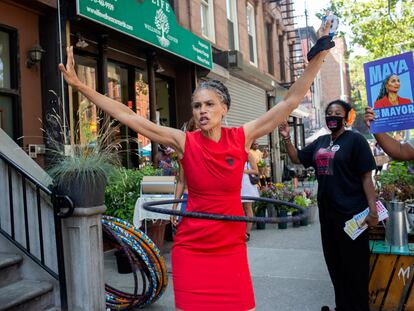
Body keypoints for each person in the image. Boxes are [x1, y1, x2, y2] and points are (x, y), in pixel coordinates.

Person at [59, 20, 333, 310]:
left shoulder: (242, 137)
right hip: (192, 246)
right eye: (197, 106)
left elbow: (290, 100)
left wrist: (321, 53)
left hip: (230, 245)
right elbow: (130, 117)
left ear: (224, 108)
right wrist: (79, 86)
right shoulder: (184, 141)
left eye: (209, 104)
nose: (202, 111)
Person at [279, 99, 378, 311]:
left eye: (337, 113)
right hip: (328, 215)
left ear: (347, 117)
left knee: (355, 268)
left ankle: (358, 308)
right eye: (329, 113)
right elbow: (297, 158)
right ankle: (341, 306)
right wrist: (287, 138)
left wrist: (372, 210)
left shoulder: (356, 141)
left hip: (353, 216)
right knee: (335, 265)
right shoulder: (321, 142)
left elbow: (366, 178)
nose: (332, 116)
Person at [170, 117, 198, 227]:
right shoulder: (184, 152)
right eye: (195, 129)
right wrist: (174, 207)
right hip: (188, 199)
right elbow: (181, 182)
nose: (199, 133)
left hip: (209, 202)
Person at [241, 148, 260, 242]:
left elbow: (256, 171)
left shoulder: (248, 154)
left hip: (246, 185)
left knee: (247, 207)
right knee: (238, 208)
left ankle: (247, 233)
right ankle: (239, 232)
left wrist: (243, 171)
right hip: (237, 184)